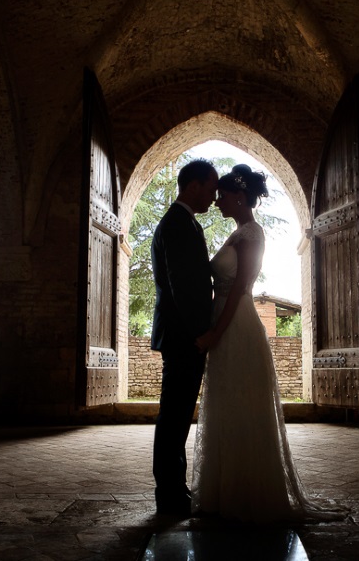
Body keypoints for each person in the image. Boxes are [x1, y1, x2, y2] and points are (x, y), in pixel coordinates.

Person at [192, 164, 344, 523]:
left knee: (243, 404)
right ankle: (224, 490)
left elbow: (241, 290)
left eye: (223, 195)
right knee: (226, 403)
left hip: (237, 325)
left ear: (240, 197)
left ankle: (248, 492)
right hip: (224, 320)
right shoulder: (236, 233)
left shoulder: (252, 234)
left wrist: (216, 333)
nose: (217, 201)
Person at [151, 158, 219, 516]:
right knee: (174, 415)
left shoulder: (187, 223)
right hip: (183, 336)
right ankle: (169, 495)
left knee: (177, 415)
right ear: (192, 186)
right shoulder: (176, 224)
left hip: (183, 334)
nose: (213, 196)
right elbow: (182, 287)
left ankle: (175, 490)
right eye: (210, 189)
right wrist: (201, 333)